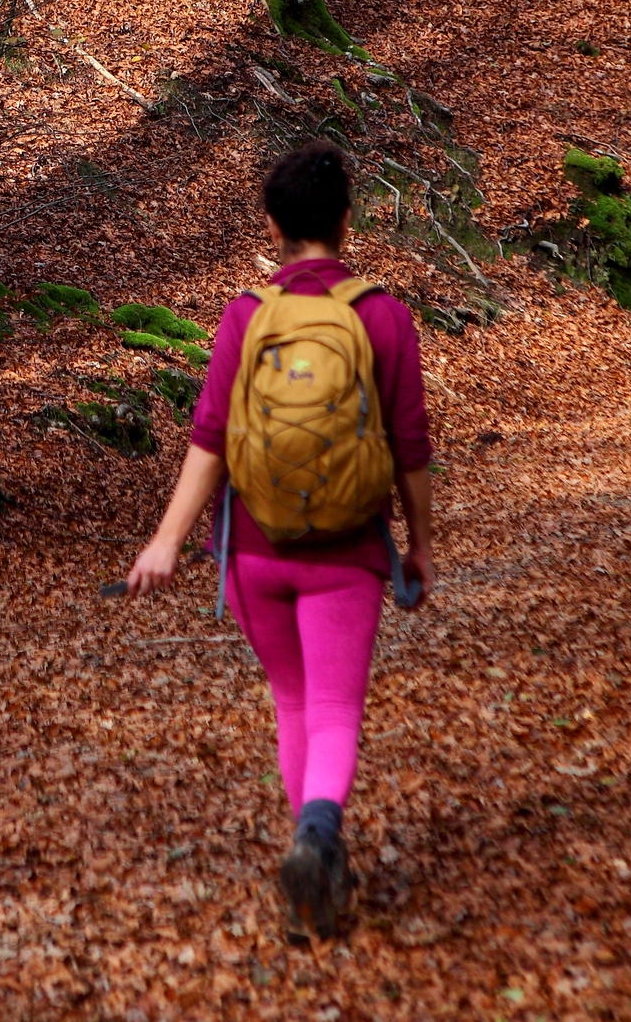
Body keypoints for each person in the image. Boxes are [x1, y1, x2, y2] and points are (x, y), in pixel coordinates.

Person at [125, 142, 433, 943]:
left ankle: (313, 860)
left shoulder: (246, 316)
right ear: (346, 220)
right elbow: (409, 447)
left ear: (273, 224)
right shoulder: (382, 316)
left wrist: (167, 541)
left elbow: (212, 438)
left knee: (293, 699)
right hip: (348, 552)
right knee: (334, 703)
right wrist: (419, 545)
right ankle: (319, 837)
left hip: (255, 550)